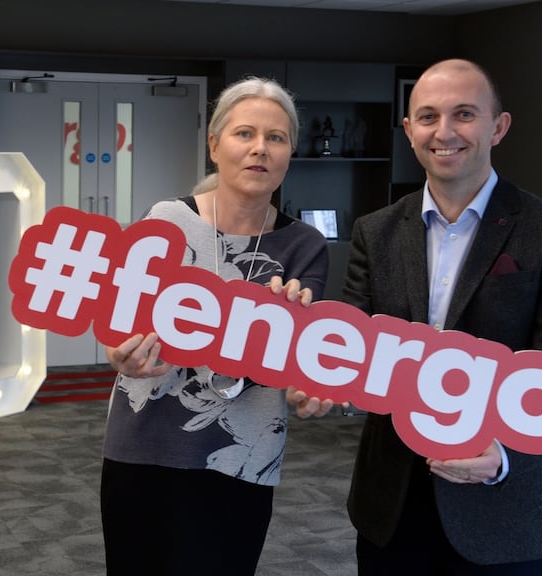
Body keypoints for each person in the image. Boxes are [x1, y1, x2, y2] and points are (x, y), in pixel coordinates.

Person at [342, 58, 542, 575]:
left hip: (504, 513)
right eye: (429, 116)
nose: (445, 132)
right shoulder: (375, 231)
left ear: (497, 127)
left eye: (464, 114)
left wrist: (505, 454)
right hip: (391, 508)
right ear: (410, 131)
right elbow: (350, 344)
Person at [99, 76, 339, 576]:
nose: (260, 149)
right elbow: (119, 324)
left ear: (291, 151)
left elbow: (298, 361)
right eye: (244, 134)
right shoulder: (165, 220)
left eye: (275, 138)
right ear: (214, 145)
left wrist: (301, 368)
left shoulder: (304, 245)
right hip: (144, 446)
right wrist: (118, 353)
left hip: (241, 455)